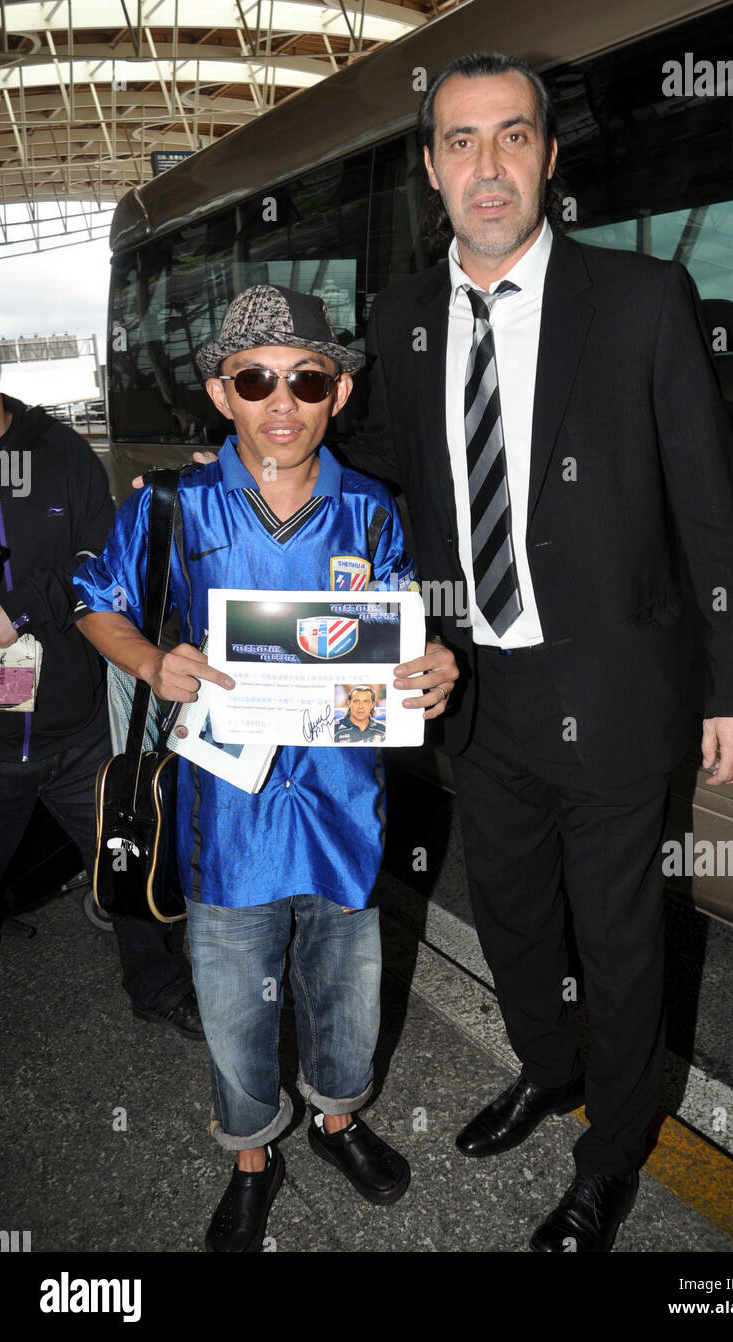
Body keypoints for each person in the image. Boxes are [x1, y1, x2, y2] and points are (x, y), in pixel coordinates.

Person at [339, 53, 733, 1252]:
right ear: (431, 169)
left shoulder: (637, 300)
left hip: (615, 687)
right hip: (477, 692)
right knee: (515, 917)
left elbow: (710, 514)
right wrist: (262, 450)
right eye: (461, 143)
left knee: (621, 937)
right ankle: (545, 1064)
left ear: (547, 156)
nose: (487, 167)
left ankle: (611, 1147)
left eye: (511, 138)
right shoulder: (404, 319)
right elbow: (391, 483)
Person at [73, 285, 459, 1252]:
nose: (280, 402)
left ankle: (336, 1118)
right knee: (236, 1007)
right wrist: (151, 660)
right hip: (224, 817)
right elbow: (93, 600)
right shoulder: (175, 503)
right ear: (221, 392)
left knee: (347, 989)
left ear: (339, 391)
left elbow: (402, 631)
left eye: (305, 379)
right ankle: (251, 1152)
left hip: (344, 810)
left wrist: (434, 666)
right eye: (255, 379)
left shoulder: (371, 510)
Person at [0, 297, 203, 1040]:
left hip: (77, 730)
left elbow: (96, 560)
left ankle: (159, 987)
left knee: (131, 868)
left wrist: (15, 610)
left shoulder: (59, 450)